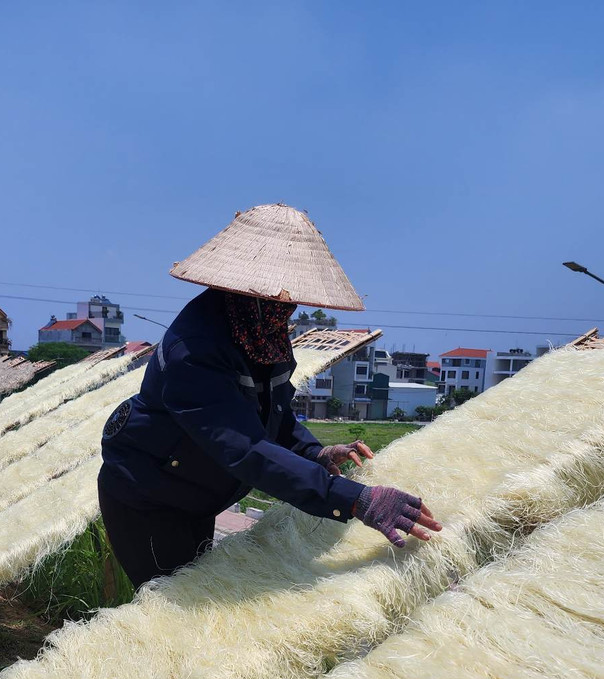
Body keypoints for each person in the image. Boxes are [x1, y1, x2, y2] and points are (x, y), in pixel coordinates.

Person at [99, 204, 440, 589]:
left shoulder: (261, 334)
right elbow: (244, 447)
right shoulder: (195, 350)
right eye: (279, 302)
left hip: (195, 488)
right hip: (150, 497)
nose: (288, 309)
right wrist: (356, 499)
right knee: (171, 609)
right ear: (246, 292)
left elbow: (270, 413)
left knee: (200, 592)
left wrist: (315, 452)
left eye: (291, 302)